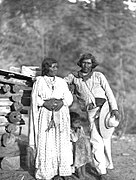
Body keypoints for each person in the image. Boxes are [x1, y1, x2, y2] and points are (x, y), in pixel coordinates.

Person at [64, 53, 120, 180]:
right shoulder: (74, 77)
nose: (86, 65)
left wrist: (114, 108)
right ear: (80, 63)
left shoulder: (98, 76)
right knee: (96, 142)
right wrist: (69, 86)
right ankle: (102, 172)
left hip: (105, 110)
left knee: (106, 140)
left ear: (92, 64)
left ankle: (107, 166)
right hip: (92, 112)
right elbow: (62, 83)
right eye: (84, 62)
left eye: (89, 63)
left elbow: (109, 92)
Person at [29, 57, 73, 180]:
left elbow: (69, 98)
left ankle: (63, 171)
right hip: (46, 115)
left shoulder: (61, 82)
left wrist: (61, 102)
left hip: (61, 114)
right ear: (46, 68)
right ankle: (49, 172)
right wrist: (44, 103)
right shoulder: (39, 81)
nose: (55, 69)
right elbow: (34, 98)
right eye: (52, 66)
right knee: (48, 142)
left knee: (62, 141)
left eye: (56, 67)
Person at [70, 111, 92, 180]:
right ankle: (80, 175)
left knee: (84, 162)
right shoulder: (70, 131)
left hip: (82, 148)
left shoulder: (80, 128)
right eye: (76, 123)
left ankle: (84, 174)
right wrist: (76, 132)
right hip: (76, 149)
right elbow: (74, 139)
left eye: (79, 122)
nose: (78, 124)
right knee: (78, 163)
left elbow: (83, 136)